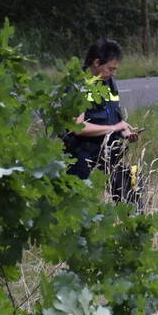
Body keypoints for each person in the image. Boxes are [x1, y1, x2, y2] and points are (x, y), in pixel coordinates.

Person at [65, 39, 140, 201]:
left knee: (131, 199)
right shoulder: (77, 85)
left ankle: (132, 223)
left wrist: (125, 131)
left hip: (109, 154)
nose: (113, 73)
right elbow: (77, 127)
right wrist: (114, 128)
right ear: (96, 62)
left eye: (115, 69)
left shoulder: (109, 82)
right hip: (82, 156)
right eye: (110, 69)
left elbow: (115, 115)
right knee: (75, 204)